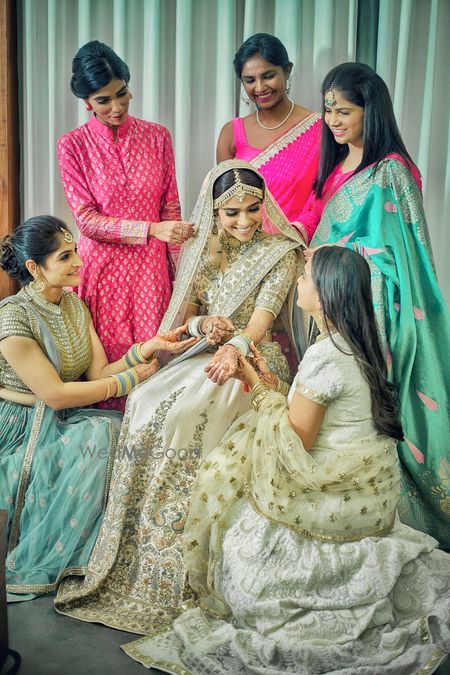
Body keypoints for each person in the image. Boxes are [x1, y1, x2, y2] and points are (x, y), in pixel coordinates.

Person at [122, 247, 450, 674]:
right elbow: (315, 414)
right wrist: (270, 384)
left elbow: (295, 441)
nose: (299, 282)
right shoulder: (351, 343)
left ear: (327, 293)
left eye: (307, 277)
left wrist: (255, 384)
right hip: (366, 492)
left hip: (333, 494)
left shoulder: (325, 354)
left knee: (235, 511)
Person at [54, 160, 305, 632]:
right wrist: (200, 326)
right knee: (144, 400)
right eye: (231, 213)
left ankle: (182, 559)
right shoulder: (203, 251)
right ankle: (139, 554)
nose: (245, 221)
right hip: (205, 351)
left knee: (191, 410)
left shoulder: (279, 252)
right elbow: (184, 318)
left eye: (253, 209)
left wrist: (234, 347)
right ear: (214, 210)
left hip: (254, 358)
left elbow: (261, 322)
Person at [0, 216, 197, 599]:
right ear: (34, 268)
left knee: (123, 429)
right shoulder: (13, 316)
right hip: (19, 424)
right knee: (101, 432)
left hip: (59, 418)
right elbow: (55, 393)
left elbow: (100, 371)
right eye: (66, 257)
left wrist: (149, 347)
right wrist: (131, 380)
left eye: (74, 253)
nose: (78, 262)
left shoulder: (73, 305)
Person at [303, 62, 449, 550]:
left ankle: (401, 515)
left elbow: (404, 257)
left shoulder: (393, 172)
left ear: (372, 110)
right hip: (329, 308)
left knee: (380, 413)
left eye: (343, 110)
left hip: (377, 312)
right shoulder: (333, 167)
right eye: (328, 110)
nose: (333, 120)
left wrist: (341, 257)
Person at [58, 40, 194, 411]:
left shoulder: (157, 136)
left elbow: (170, 208)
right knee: (109, 368)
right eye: (103, 100)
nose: (116, 107)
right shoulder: (73, 146)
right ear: (87, 102)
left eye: (122, 94)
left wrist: (182, 276)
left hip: (151, 271)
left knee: (156, 364)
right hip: (102, 271)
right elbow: (86, 220)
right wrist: (150, 230)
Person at [217, 33, 320, 241]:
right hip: (245, 255)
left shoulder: (319, 129)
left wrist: (291, 235)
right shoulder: (232, 133)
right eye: (249, 80)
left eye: (268, 76)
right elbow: (225, 204)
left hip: (297, 248)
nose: (260, 87)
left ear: (287, 70)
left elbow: (324, 198)